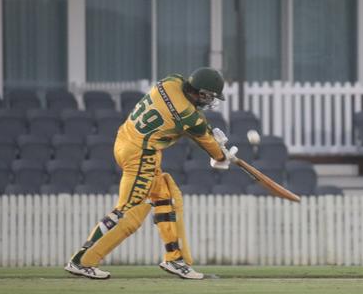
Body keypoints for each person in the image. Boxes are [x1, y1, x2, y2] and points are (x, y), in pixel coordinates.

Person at [64, 67, 237, 280]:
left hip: (125, 140)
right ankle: (82, 261)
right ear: (200, 93)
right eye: (209, 96)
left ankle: (175, 259)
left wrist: (209, 133)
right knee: (126, 211)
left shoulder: (171, 81)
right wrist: (222, 155)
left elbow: (194, 121)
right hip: (140, 155)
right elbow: (210, 146)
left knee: (165, 195)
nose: (210, 101)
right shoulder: (190, 117)